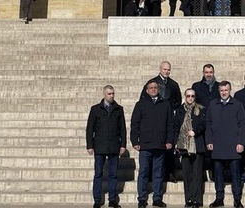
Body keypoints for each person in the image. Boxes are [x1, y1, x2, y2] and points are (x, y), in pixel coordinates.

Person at [131, 80, 175, 208]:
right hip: (145, 144)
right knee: (144, 172)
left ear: (159, 89)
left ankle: (157, 198)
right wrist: (135, 141)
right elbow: (135, 124)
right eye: (151, 88)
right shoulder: (140, 104)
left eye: (155, 87)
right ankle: (142, 199)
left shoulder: (166, 104)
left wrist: (169, 141)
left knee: (158, 173)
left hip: (160, 144)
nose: (153, 89)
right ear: (146, 90)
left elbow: (170, 124)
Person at [206, 81, 245, 208]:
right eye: (222, 90)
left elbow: (243, 124)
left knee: (236, 175)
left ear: (230, 90)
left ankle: (237, 199)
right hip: (217, 146)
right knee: (218, 175)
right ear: (219, 91)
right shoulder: (213, 104)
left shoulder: (237, 104)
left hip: (233, 146)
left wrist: (241, 142)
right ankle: (219, 198)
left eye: (226, 90)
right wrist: (209, 141)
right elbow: (208, 123)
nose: (224, 92)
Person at [87, 85, 128, 208]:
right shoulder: (95, 109)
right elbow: (90, 128)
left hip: (114, 146)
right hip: (99, 146)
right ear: (104, 94)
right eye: (109, 94)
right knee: (98, 173)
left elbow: (123, 129)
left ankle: (112, 199)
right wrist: (90, 145)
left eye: (113, 94)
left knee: (113, 174)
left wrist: (123, 145)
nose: (112, 96)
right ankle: (97, 200)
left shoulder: (118, 109)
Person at [175, 89, 207, 208]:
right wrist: (175, 143)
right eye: (188, 96)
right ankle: (188, 199)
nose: (190, 98)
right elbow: (176, 126)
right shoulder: (179, 110)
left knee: (197, 174)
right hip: (183, 145)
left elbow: (204, 124)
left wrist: (195, 132)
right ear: (185, 96)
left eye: (192, 96)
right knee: (187, 174)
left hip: (197, 145)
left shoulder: (200, 109)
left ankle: (197, 200)